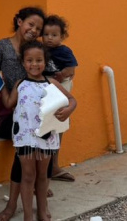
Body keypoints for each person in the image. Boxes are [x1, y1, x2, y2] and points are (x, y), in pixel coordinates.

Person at [0, 40, 77, 221]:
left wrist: (68, 110)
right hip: (25, 137)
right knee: (27, 176)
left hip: (46, 136)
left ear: (45, 61)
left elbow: (72, 100)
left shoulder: (51, 83)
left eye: (39, 60)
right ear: (23, 62)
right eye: (30, 60)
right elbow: (9, 103)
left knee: (42, 175)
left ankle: (42, 211)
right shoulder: (20, 84)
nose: (34, 64)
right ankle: (28, 215)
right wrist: (2, 85)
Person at [0, 7, 46, 221]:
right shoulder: (2, 46)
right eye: (30, 24)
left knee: (37, 140)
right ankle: (12, 205)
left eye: (38, 28)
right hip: (5, 111)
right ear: (19, 21)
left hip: (29, 113)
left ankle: (38, 197)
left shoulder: (36, 51)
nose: (33, 30)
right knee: (24, 144)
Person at [41, 14, 78, 182]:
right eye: (46, 34)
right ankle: (47, 166)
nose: (49, 38)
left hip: (61, 88)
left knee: (59, 122)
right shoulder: (40, 49)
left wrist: (61, 75)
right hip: (47, 89)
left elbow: (71, 68)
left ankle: (53, 165)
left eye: (54, 35)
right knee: (46, 124)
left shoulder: (63, 51)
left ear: (62, 36)